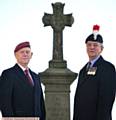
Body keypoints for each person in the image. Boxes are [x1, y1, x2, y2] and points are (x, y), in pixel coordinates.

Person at [73, 25, 116, 120]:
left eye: (95, 45)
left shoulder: (107, 68)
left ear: (102, 48)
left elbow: (107, 100)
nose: (91, 47)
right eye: (89, 45)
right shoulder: (83, 70)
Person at [0, 41, 46, 120]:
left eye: (27, 52)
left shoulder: (36, 77)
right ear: (15, 55)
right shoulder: (8, 74)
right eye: (22, 52)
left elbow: (41, 102)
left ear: (31, 55)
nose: (25, 54)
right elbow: (4, 103)